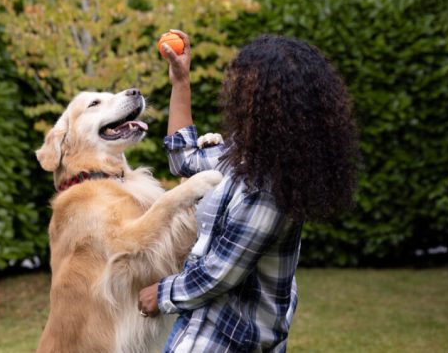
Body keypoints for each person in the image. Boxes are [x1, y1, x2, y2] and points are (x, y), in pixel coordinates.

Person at [138, 30, 359, 352]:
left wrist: (161, 293)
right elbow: (185, 159)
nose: (236, 93)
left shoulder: (269, 191)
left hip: (230, 337)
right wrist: (180, 81)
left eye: (245, 86)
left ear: (272, 104)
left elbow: (219, 273)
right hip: (206, 319)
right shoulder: (246, 155)